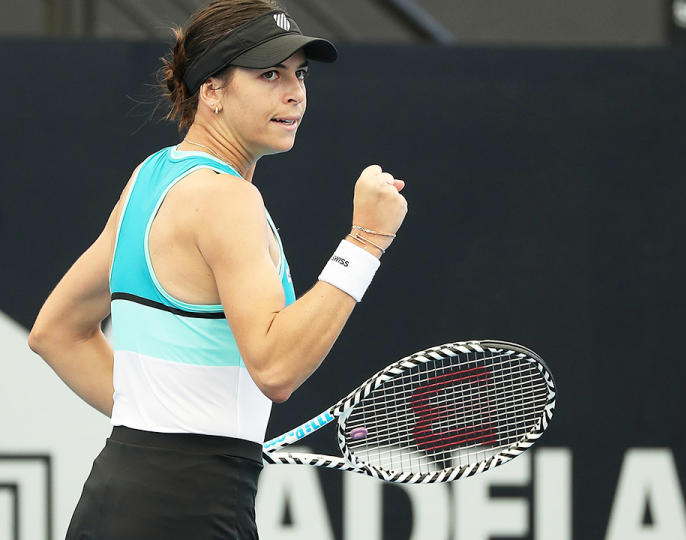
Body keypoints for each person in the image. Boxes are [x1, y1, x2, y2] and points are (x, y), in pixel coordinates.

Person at [27, 1, 407, 537]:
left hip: (114, 497)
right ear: (212, 91)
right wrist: (367, 240)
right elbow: (276, 369)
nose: (294, 92)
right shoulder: (228, 200)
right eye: (269, 74)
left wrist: (175, 428)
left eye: (299, 74)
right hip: (189, 513)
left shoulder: (151, 179)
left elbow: (54, 333)